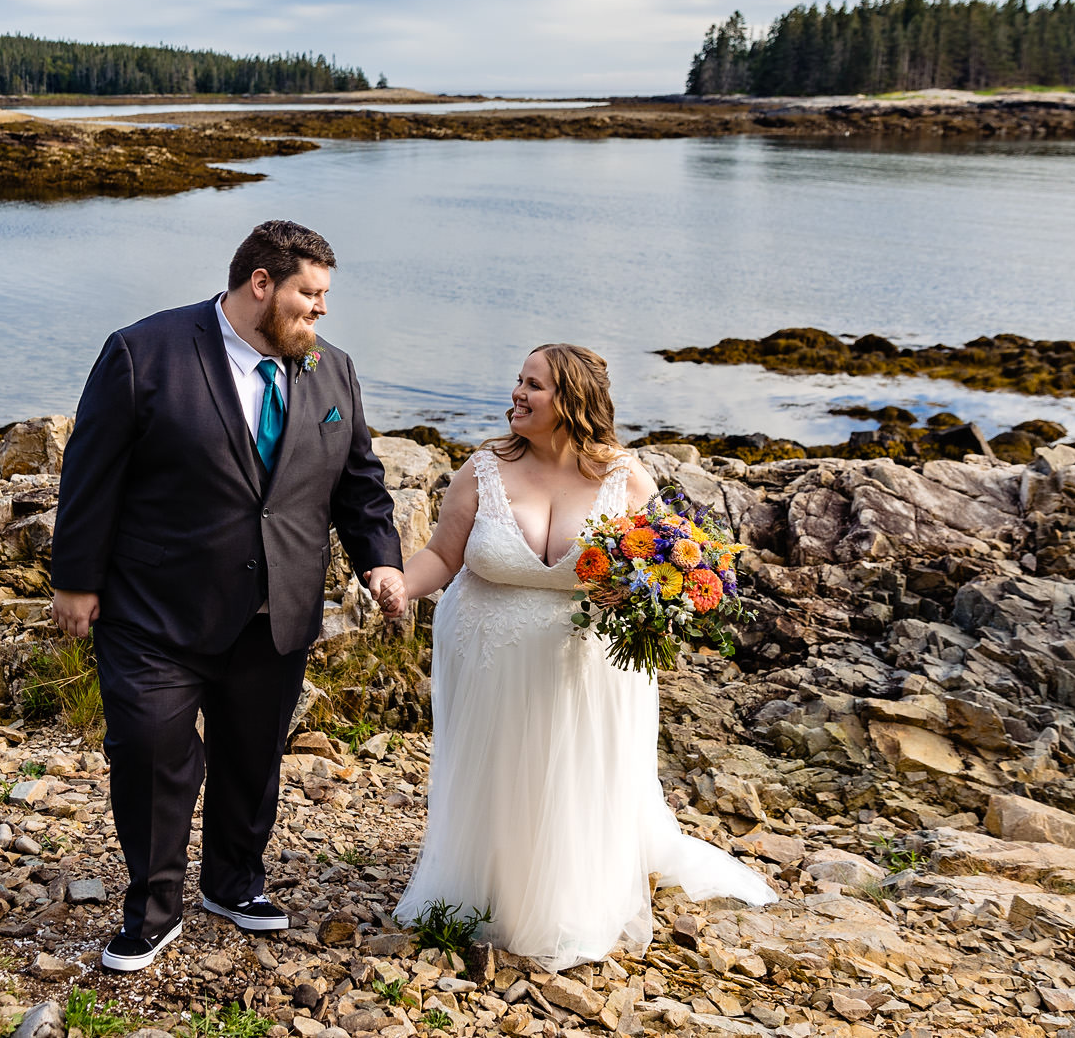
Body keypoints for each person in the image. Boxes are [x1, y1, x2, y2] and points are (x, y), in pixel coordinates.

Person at [51, 220, 407, 972]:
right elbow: (90, 474)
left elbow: (359, 483)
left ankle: (233, 882)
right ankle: (150, 912)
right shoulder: (143, 352)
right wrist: (76, 581)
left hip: (275, 610)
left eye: (324, 297)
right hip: (156, 611)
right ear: (260, 285)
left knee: (252, 759)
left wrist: (379, 560)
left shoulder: (332, 371)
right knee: (148, 751)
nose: (321, 310)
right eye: (309, 295)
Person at [393, 343, 776, 967]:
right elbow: (441, 556)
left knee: (571, 774)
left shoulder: (625, 479)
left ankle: (565, 904)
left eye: (534, 385)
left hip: (586, 666)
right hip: (489, 654)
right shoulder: (483, 468)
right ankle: (483, 889)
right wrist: (398, 585)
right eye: (518, 380)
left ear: (571, 400)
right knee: (498, 771)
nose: (517, 393)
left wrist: (662, 602)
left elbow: (662, 563)